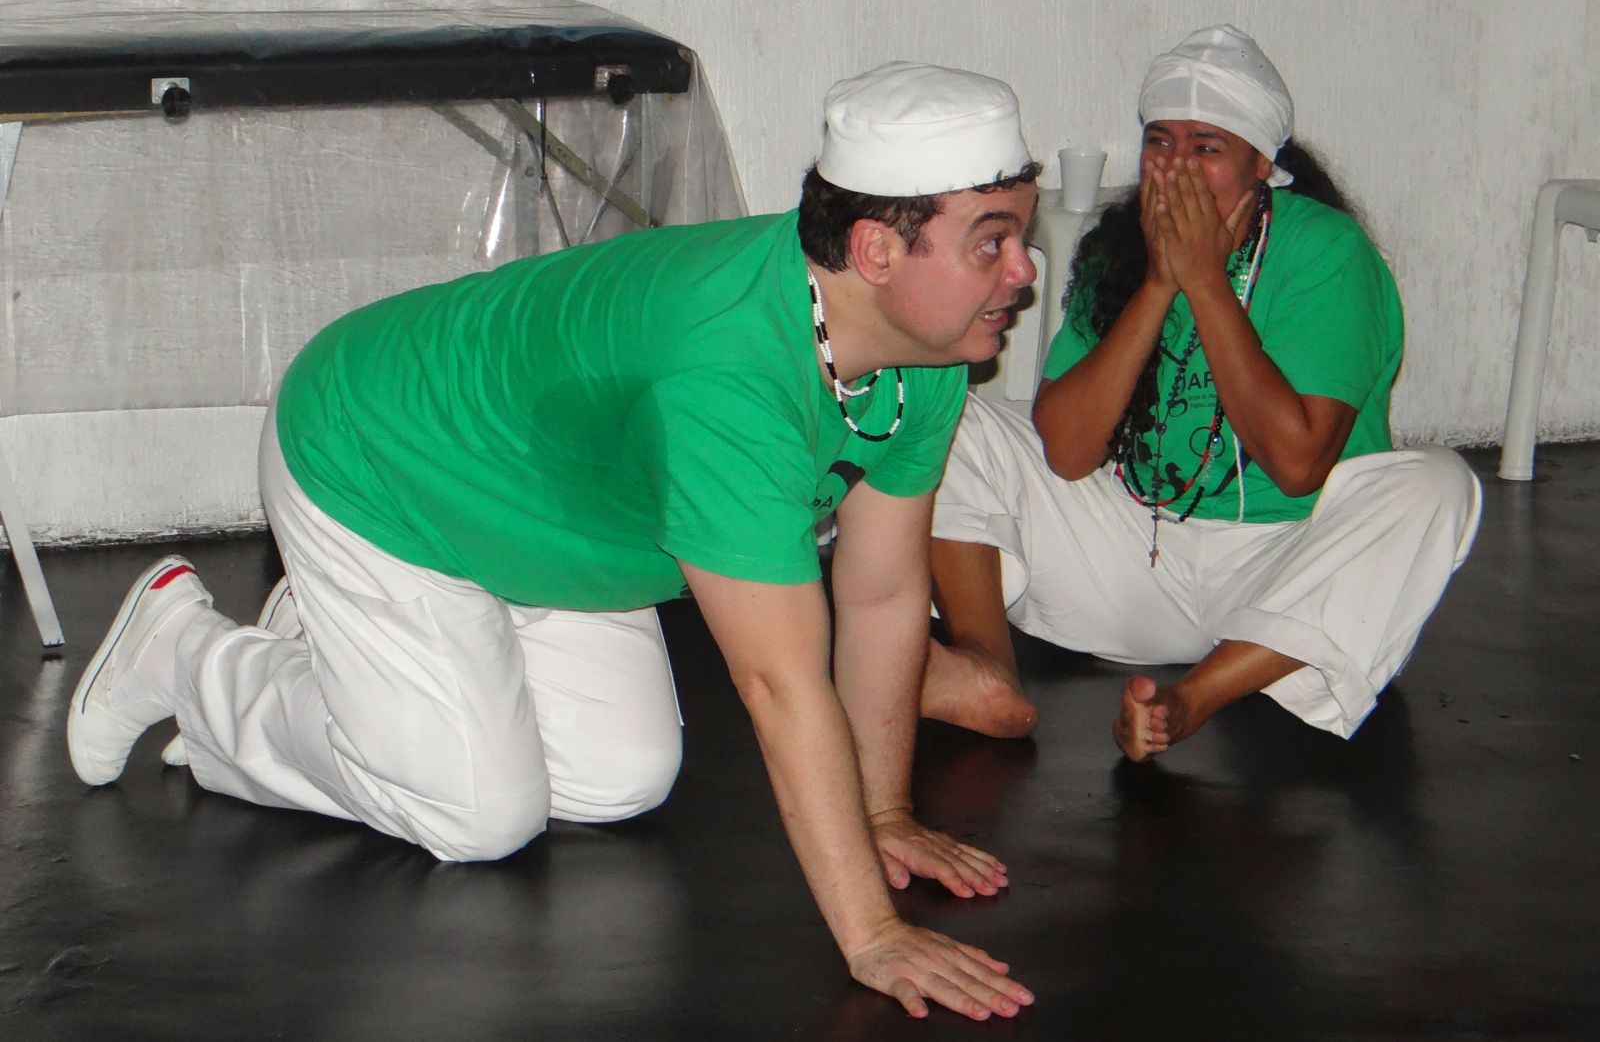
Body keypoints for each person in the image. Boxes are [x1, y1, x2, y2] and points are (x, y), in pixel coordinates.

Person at [67, 61, 1042, 1021]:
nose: (1024, 271)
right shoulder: (729, 380)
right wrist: (872, 934)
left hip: (550, 514)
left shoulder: (921, 355)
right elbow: (780, 684)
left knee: (620, 778)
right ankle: (184, 651)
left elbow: (879, 595)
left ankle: (344, 646)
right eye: (991, 242)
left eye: (1021, 237)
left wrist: (881, 814)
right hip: (382, 460)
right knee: (477, 816)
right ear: (875, 251)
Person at [921, 25, 1481, 759]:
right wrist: (1159, 282)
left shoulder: (1326, 250)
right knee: (943, 408)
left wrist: (1207, 282)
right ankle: (985, 671)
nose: (1176, 167)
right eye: (1160, 141)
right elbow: (1068, 453)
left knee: (1437, 482)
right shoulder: (1120, 246)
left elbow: (1298, 464)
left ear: (1262, 165)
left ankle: (1193, 699)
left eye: (1207, 147)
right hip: (1129, 555)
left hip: (1284, 572)